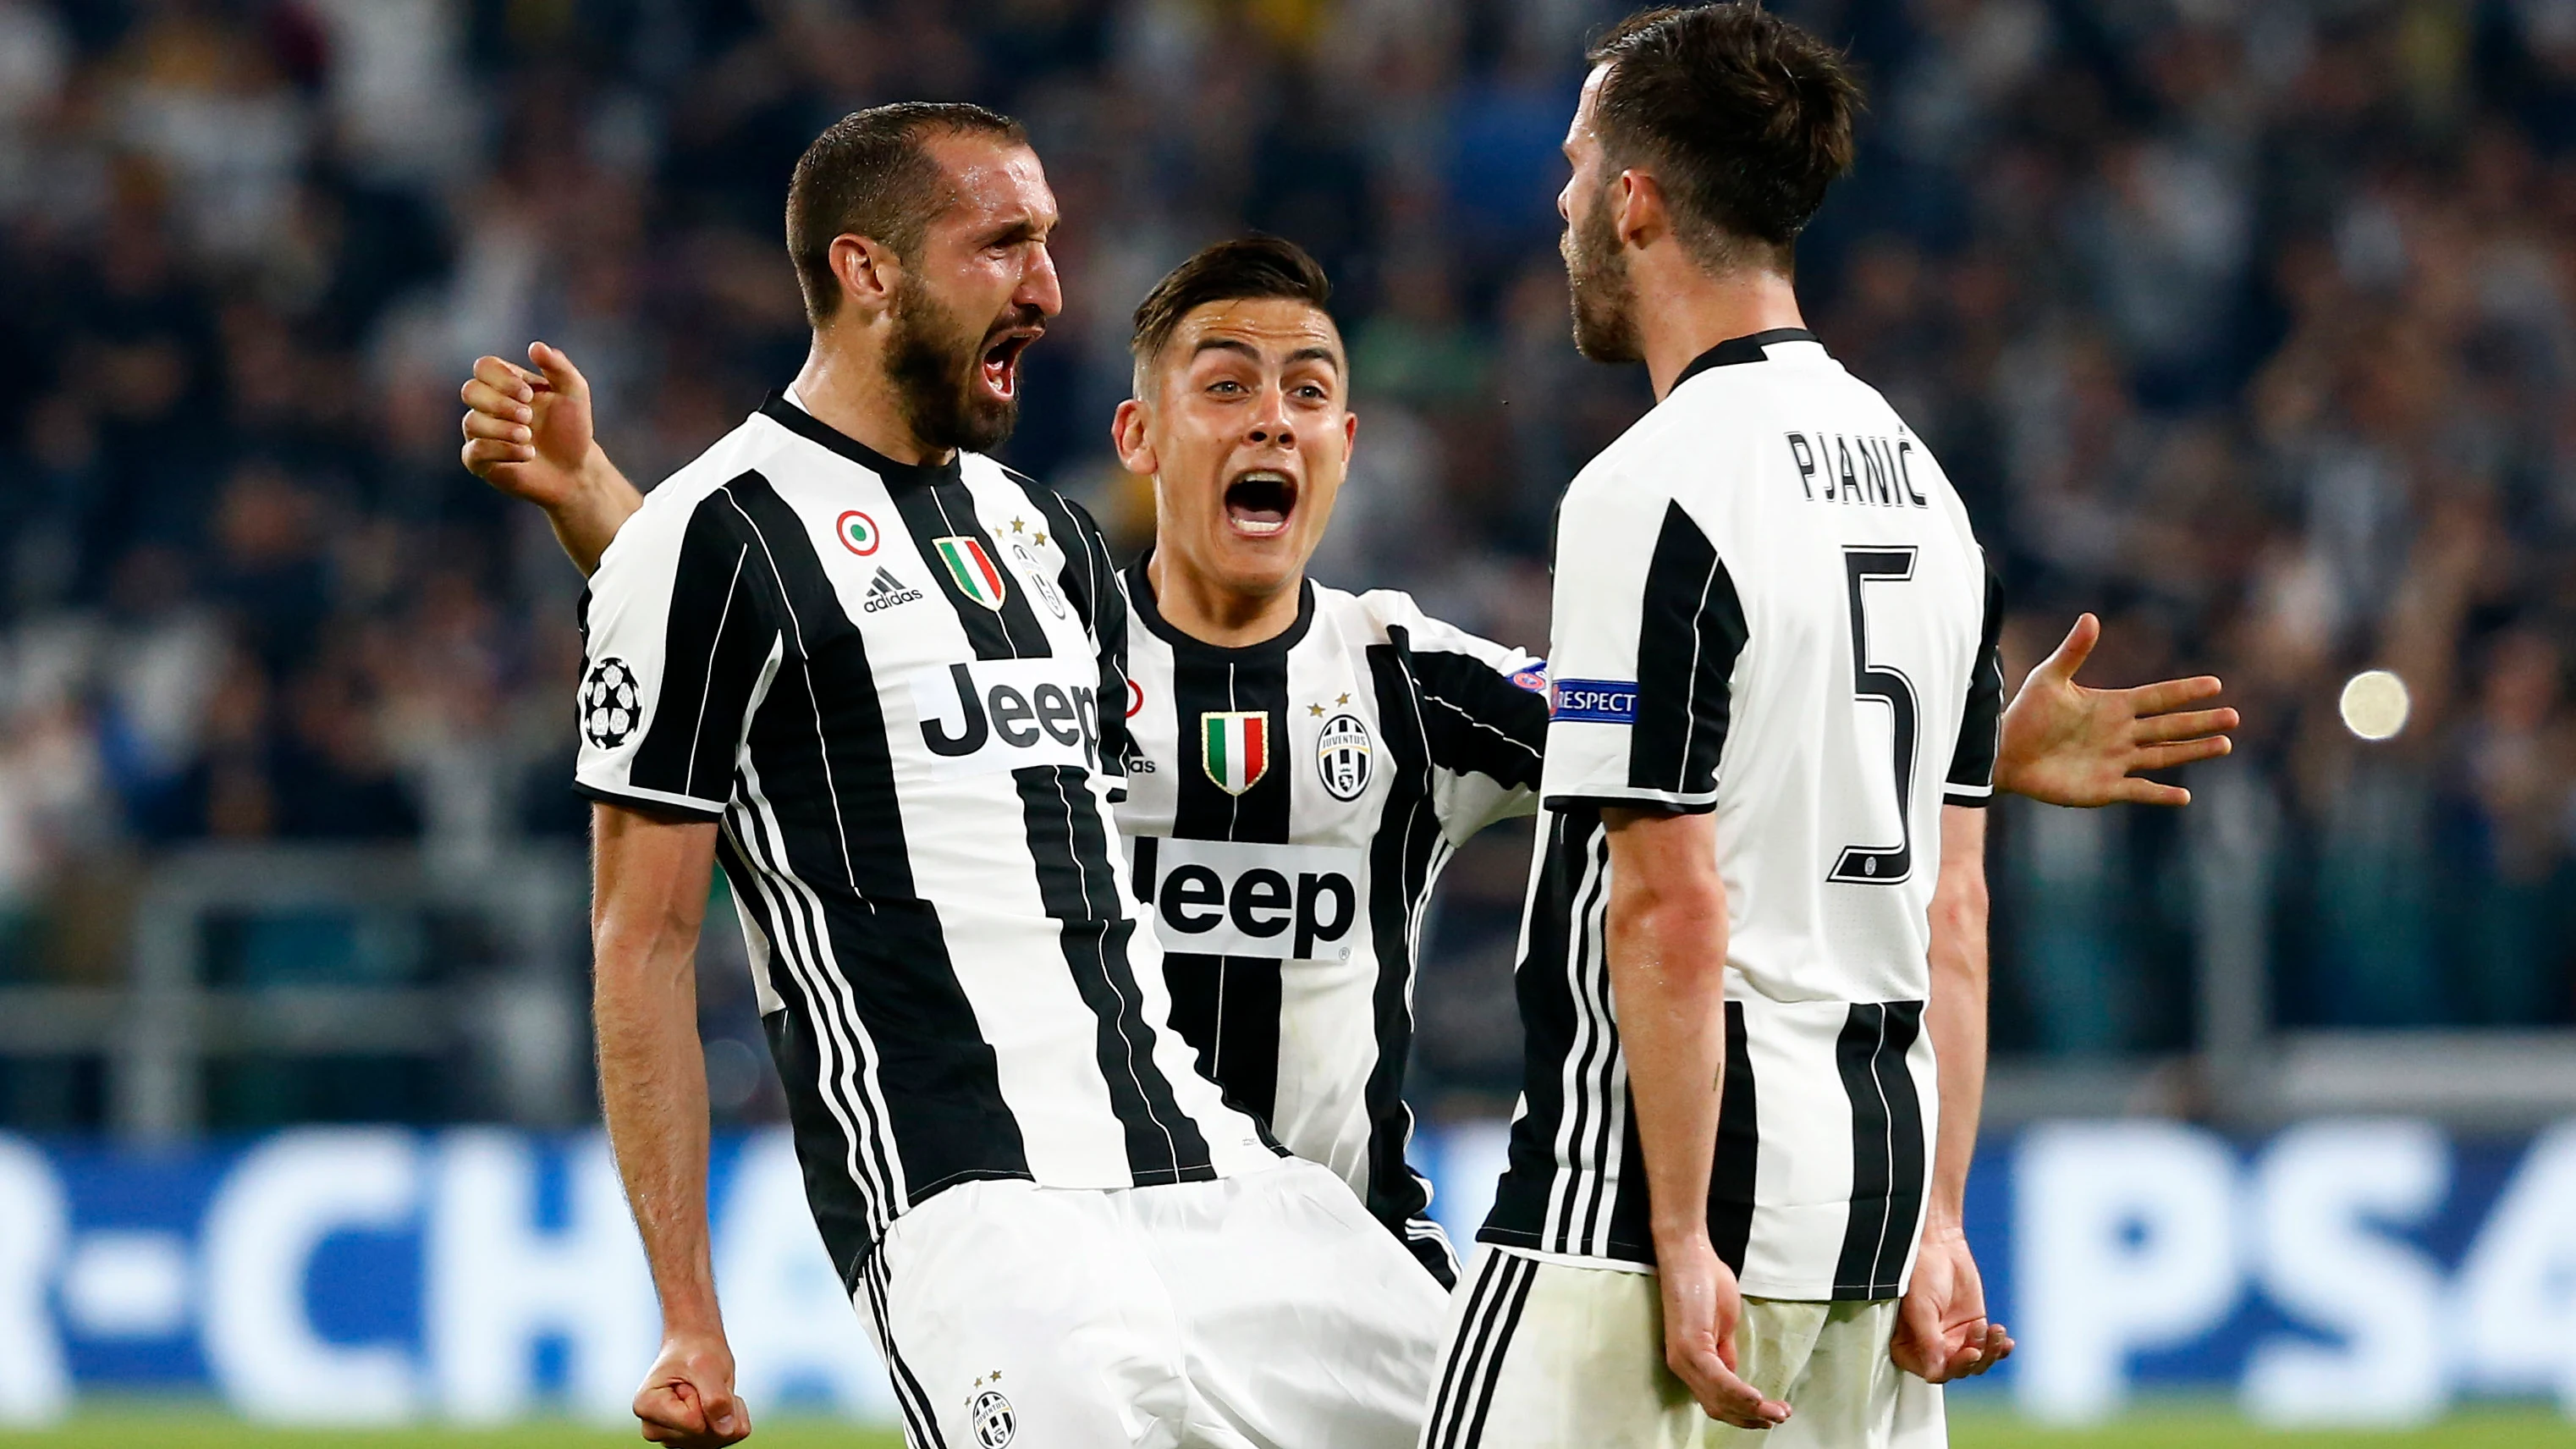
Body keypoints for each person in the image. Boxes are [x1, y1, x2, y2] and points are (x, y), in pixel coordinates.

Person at [466, 222, 2232, 1335]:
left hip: (1341, 1255)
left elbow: (1718, 760)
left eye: (1308, 390)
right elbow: (818, 648)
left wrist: (1972, 748)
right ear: (1141, 444)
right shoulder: (1051, 635)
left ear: (1346, 449)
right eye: (1221, 385)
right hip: (1100, 1233)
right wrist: (606, 516)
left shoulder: (1417, 683)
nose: (1271, 420)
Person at [504, 102, 1445, 1449]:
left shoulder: (1045, 530)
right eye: (1004, 246)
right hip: (977, 1211)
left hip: (1207, 1169)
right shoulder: (713, 539)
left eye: (1049, 246)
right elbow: (638, 943)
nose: (1051, 291)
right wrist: (689, 1315)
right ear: (868, 270)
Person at [1421, 8, 2228, 1447]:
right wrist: (1941, 1220)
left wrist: (1674, 1236)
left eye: (1573, 163)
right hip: (1872, 1212)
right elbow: (1955, 909)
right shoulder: (1930, 492)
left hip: (1655, 1206)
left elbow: (1665, 897)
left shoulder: (1648, 487)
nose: (1554, 205)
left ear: (1636, 201)